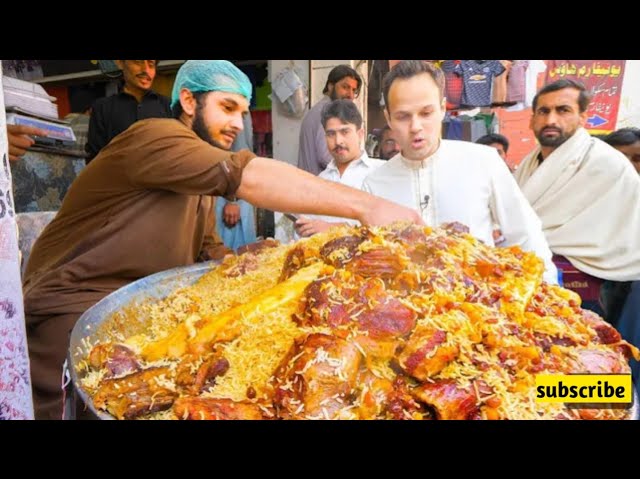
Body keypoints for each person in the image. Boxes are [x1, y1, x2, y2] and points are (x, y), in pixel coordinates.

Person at [21, 60, 422, 419]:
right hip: (73, 314)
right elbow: (246, 174)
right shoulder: (153, 136)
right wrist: (369, 208)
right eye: (227, 108)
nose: (237, 124)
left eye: (242, 113)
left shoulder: (194, 173)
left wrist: (247, 259)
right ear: (189, 101)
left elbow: (206, 249)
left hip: (143, 320)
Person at [362, 60, 558, 284]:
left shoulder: (482, 162)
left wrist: (549, 292)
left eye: (426, 113)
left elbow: (526, 235)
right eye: (403, 116)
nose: (416, 126)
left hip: (480, 307)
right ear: (388, 118)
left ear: (443, 108)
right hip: (407, 310)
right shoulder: (375, 184)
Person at [514, 79, 640, 318]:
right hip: (532, 281)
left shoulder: (607, 163)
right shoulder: (528, 164)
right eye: (543, 111)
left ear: (583, 117)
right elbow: (519, 223)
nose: (551, 120)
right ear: (532, 119)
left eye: (563, 110)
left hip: (592, 285)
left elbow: (625, 233)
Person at [295, 99, 384, 237]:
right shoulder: (319, 182)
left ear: (360, 134)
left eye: (345, 132)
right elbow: (303, 234)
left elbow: (389, 226)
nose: (338, 141)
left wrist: (333, 229)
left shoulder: (381, 173)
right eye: (331, 134)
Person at [85, 60, 172, 163]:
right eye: (138, 62)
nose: (145, 70)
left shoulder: (168, 106)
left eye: (151, 64)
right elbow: (95, 160)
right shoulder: (102, 108)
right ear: (120, 63)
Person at [297, 65, 362, 175]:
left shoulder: (320, 109)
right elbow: (325, 157)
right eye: (345, 87)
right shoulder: (328, 113)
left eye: (354, 90)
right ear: (330, 86)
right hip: (318, 187)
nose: (350, 95)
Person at [215, 114, 257, 251]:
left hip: (232, 194)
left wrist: (232, 200)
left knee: (237, 256)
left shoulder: (234, 109)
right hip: (225, 193)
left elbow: (238, 158)